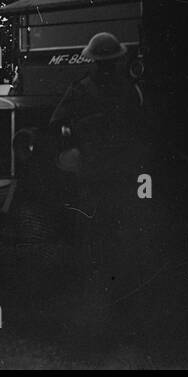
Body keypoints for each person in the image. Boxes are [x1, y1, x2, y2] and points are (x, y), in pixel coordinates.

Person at [48, 32, 157, 336]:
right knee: (126, 241)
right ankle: (126, 310)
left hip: (93, 178)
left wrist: (74, 143)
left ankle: (98, 312)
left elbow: (56, 125)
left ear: (93, 59)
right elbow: (145, 130)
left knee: (94, 242)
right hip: (123, 179)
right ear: (118, 59)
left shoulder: (80, 89)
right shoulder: (132, 90)